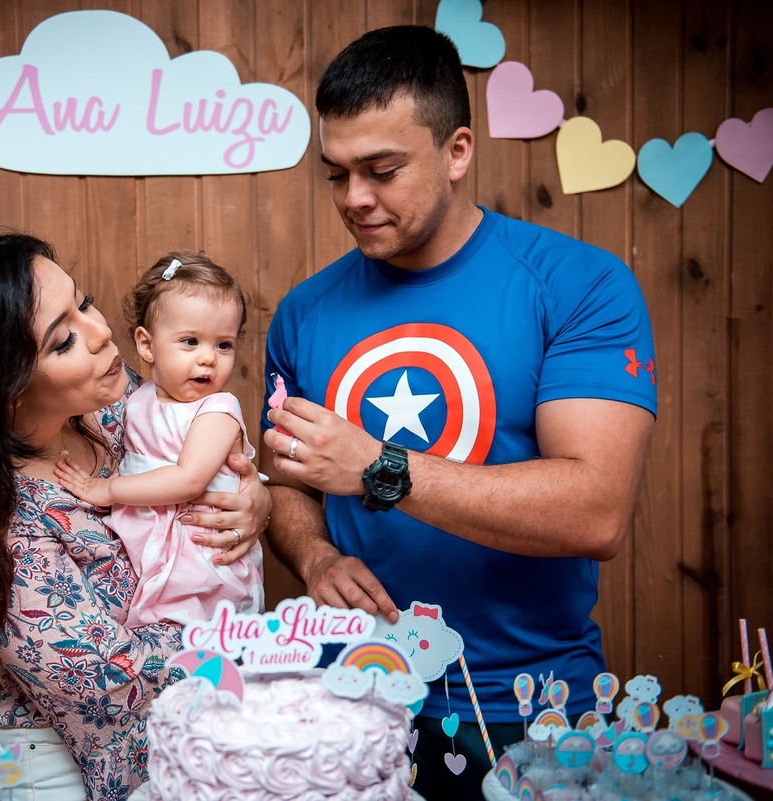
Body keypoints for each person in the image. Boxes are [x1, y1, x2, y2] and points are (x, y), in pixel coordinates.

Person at [259, 26, 656, 800]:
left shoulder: (580, 286)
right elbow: (290, 481)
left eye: (382, 170)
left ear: (458, 150)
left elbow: (597, 509)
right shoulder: (302, 314)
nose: (354, 198)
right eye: (335, 174)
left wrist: (379, 467)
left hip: (537, 710)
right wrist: (312, 555)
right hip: (355, 701)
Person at [0, 233, 270, 800]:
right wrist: (257, 644)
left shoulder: (103, 412)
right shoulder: (5, 522)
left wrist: (254, 498)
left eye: (86, 300)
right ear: (4, 389)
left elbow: (197, 455)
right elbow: (102, 678)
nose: (102, 332)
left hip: (166, 728)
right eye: (63, 340)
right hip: (45, 763)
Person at [55, 251, 265, 628]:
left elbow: (189, 480)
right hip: (156, 534)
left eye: (224, 345)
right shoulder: (137, 397)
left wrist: (107, 491)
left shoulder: (217, 409)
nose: (208, 359)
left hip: (200, 548)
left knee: (202, 629)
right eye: (190, 341)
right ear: (148, 346)